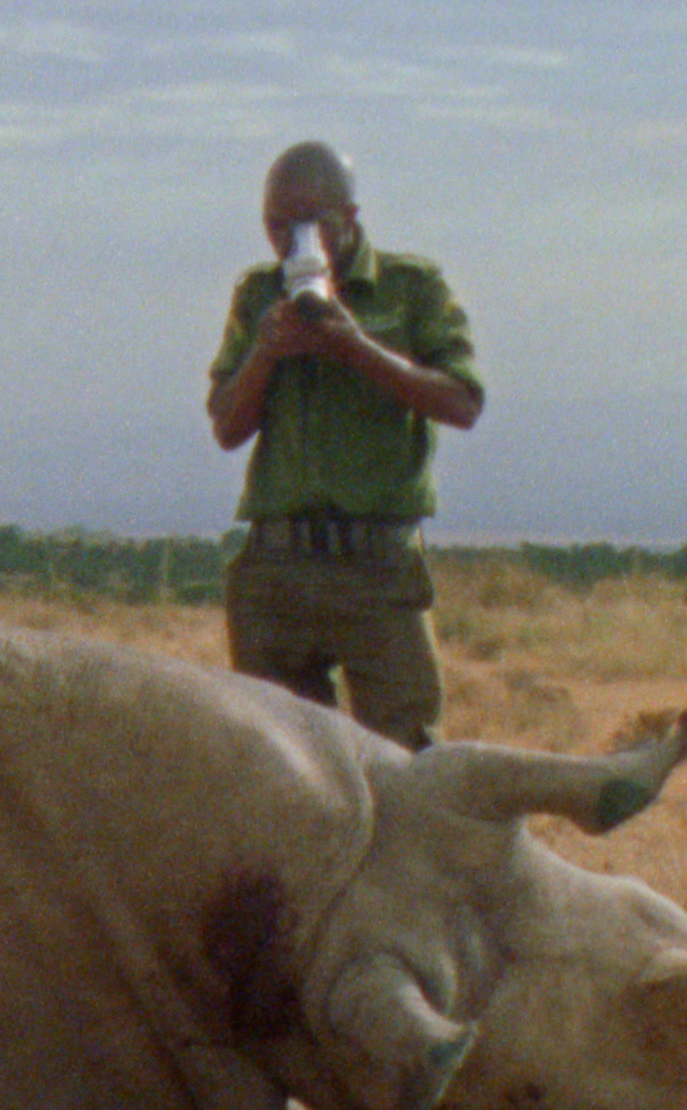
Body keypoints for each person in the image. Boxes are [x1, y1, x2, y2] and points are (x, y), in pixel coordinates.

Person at [206, 141, 484, 751]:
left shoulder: (411, 288)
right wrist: (266, 353)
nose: (293, 238)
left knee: (407, 761)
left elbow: (463, 401)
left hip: (376, 566)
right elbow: (227, 427)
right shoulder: (258, 297)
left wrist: (356, 349)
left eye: (311, 221)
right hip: (276, 567)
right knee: (278, 765)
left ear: (350, 218)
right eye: (277, 223)